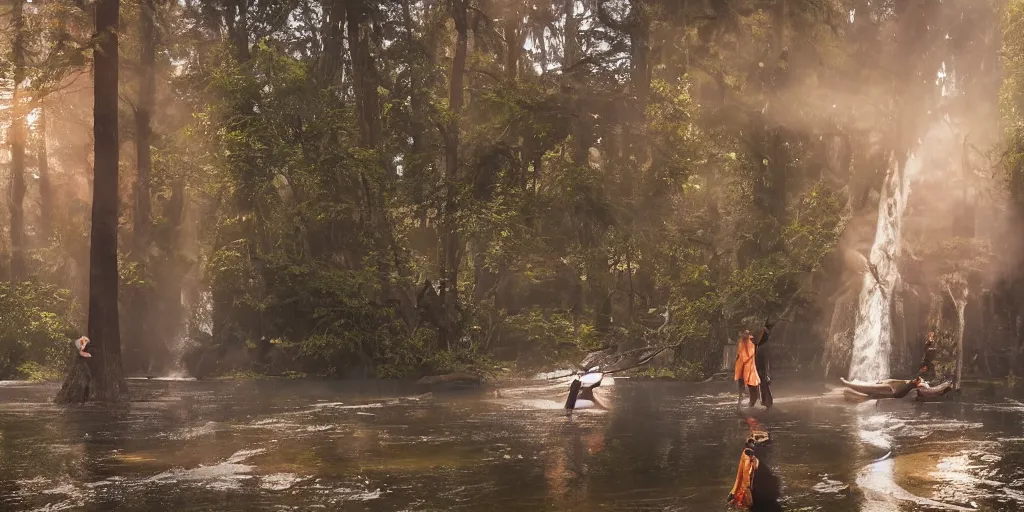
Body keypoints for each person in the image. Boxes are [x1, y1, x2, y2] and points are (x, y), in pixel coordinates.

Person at [735, 330, 761, 407]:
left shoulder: (751, 343)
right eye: (743, 334)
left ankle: (752, 402)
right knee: (742, 386)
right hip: (742, 368)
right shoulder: (741, 342)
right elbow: (739, 354)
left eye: (745, 335)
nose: (744, 336)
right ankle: (741, 401)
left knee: (752, 386)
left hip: (749, 368)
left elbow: (749, 355)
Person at [753, 319, 775, 410]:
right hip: (760, 365)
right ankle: (767, 402)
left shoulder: (763, 334)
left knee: (763, 384)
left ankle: (766, 402)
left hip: (759, 365)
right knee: (763, 383)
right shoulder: (764, 334)